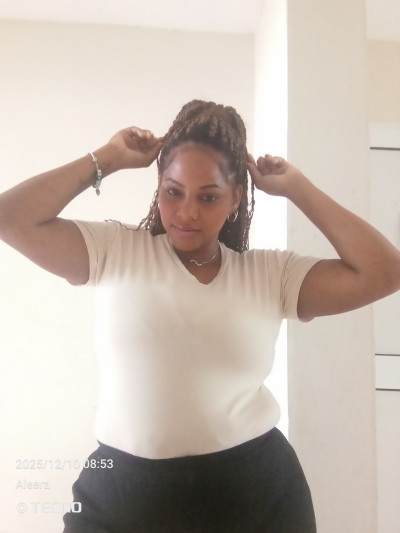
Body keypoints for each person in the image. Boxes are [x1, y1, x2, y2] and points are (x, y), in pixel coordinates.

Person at [0, 100, 399, 533]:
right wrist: (108, 158)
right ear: (158, 186)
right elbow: (10, 218)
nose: (187, 212)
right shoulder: (115, 251)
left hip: (254, 493)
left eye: (208, 197)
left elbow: (383, 271)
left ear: (236, 197)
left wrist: (297, 187)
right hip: (124, 495)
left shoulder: (270, 275)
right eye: (173, 191)